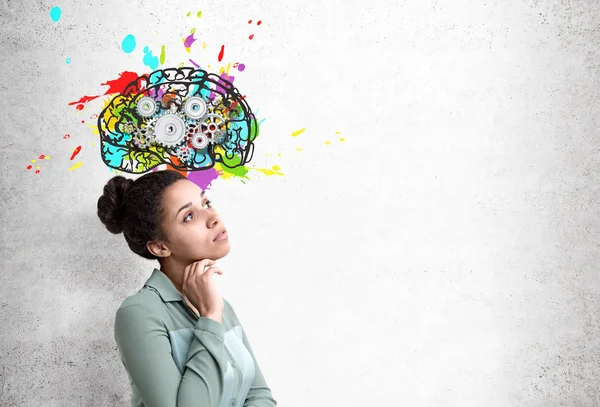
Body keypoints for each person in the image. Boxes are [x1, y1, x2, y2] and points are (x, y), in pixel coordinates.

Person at [97, 169, 277, 407]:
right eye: (189, 216)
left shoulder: (221, 306)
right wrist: (210, 318)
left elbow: (260, 396)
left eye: (206, 203)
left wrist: (213, 312)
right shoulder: (139, 314)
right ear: (159, 247)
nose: (213, 217)